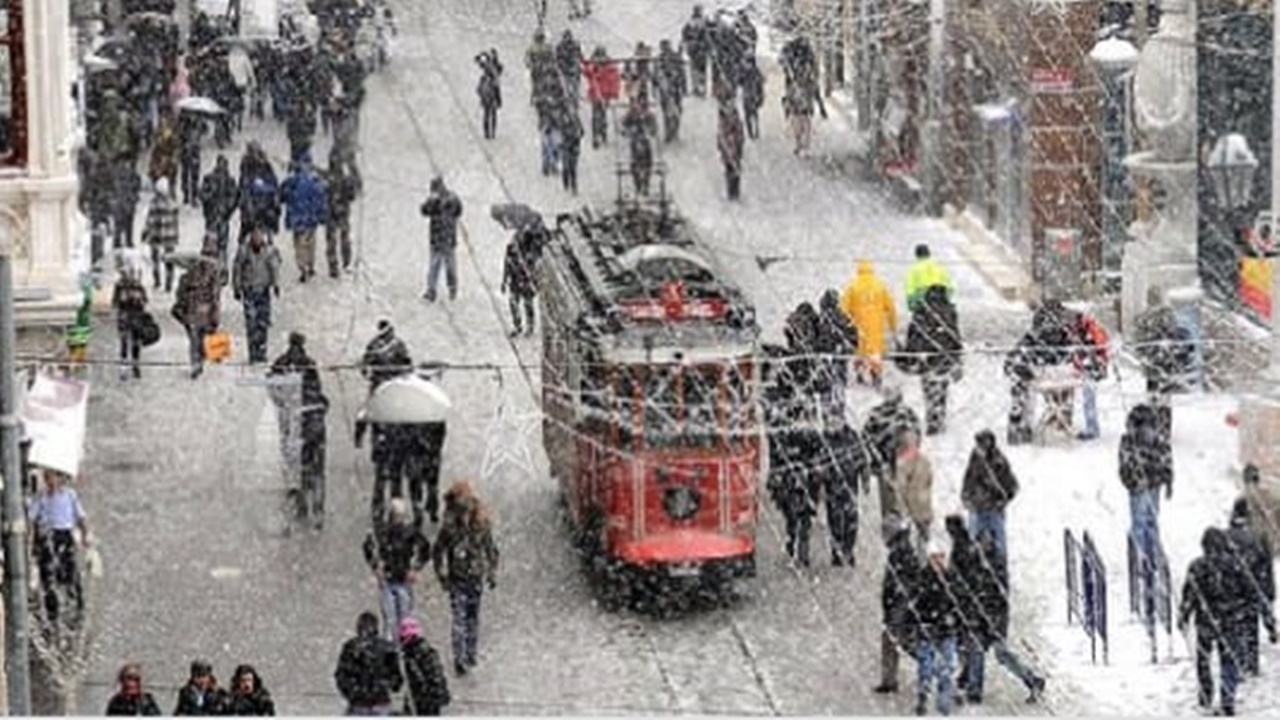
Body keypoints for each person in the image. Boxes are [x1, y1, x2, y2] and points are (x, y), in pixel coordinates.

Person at [948, 517, 1045, 705]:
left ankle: (1032, 679)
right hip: (982, 616)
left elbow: (997, 595)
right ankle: (974, 690)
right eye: (980, 541)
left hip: (994, 617)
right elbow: (971, 587)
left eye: (985, 541)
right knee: (977, 649)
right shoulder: (976, 561)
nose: (981, 545)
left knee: (1001, 654)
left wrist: (992, 618)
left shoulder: (995, 564)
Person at [1178, 527, 1254, 716]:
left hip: (1206, 621)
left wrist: (1184, 615)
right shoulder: (1236, 565)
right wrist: (1247, 612)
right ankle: (1227, 697)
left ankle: (1206, 694)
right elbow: (1249, 592)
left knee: (1204, 659)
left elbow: (1190, 594)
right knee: (1229, 660)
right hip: (1231, 620)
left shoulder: (1197, 566)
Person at [1120, 402, 1173, 650]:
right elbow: (1124, 465)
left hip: (1151, 486)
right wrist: (1134, 479)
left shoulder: (1153, 442)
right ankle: (1143, 556)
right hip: (1142, 487)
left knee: (1150, 523)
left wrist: (1163, 478)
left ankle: (1150, 554)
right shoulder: (1130, 442)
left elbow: (1165, 459)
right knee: (1141, 523)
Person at [433, 481, 500, 676]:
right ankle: (460, 657)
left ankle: (470, 653)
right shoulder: (449, 526)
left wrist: (491, 572)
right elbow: (438, 551)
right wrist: (442, 575)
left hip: (475, 578)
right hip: (458, 578)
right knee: (459, 618)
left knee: (472, 618)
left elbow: (491, 549)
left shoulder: (481, 523)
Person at [270, 331, 330, 527]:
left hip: (293, 420)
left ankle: (300, 503)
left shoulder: (280, 363)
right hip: (314, 421)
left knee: (296, 464)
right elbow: (318, 390)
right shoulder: (309, 363)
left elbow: (273, 388)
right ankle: (318, 509)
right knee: (318, 469)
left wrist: (283, 403)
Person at [1003, 299, 1078, 445]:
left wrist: (1018, 364)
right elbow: (1071, 355)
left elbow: (1015, 356)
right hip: (1057, 378)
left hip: (1036, 375)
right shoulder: (1065, 334)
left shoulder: (1035, 334)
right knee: (1062, 389)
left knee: (1023, 386)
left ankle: (1020, 422)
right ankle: (1061, 418)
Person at [364, 498, 432, 641]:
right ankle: (393, 651)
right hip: (389, 580)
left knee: (403, 620)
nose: (397, 519)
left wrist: (416, 568)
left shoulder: (407, 532)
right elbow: (368, 546)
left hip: (401, 579)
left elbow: (425, 549)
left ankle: (399, 649)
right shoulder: (384, 532)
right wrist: (376, 566)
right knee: (391, 620)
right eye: (396, 515)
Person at [900, 284, 962, 434]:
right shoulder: (949, 311)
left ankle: (932, 417)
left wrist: (910, 354)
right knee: (942, 389)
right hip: (944, 357)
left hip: (926, 358)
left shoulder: (921, 311)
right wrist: (957, 356)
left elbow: (913, 335)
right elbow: (954, 335)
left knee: (928, 389)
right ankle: (939, 415)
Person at [1135, 286, 1194, 442]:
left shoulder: (1144, 317)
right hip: (1166, 364)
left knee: (1153, 397)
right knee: (1165, 399)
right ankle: (1164, 429)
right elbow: (1174, 334)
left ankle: (1154, 428)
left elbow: (1139, 342)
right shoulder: (1168, 314)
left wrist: (1145, 356)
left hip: (1152, 365)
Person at [29, 469, 88, 623]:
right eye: (46, 477)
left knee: (70, 571)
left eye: (52, 477)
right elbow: (32, 519)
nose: (49, 481)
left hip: (65, 535)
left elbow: (80, 516)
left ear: (61, 478)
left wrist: (86, 534)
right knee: (48, 574)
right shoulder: (41, 497)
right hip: (48, 536)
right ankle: (52, 612)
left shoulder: (70, 495)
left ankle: (76, 607)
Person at [1225, 497, 1276, 676]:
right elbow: (1267, 566)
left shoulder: (1226, 536)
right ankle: (1252, 663)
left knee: (1235, 627)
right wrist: (1269, 591)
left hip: (1233, 591)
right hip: (1254, 588)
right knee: (1251, 626)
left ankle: (1239, 660)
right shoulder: (1259, 536)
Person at [910, 536, 961, 716]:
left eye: (941, 556)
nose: (939, 561)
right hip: (929, 629)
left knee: (945, 671)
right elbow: (915, 605)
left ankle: (943, 706)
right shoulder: (923, 579)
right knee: (926, 668)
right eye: (935, 557)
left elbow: (959, 604)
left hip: (946, 631)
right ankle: (924, 696)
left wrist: (955, 621)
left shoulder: (951, 579)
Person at [863, 386, 921, 535]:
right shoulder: (877, 414)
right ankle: (891, 527)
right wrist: (878, 459)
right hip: (885, 464)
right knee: (888, 497)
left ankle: (903, 525)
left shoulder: (907, 414)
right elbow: (867, 439)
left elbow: (916, 437)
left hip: (902, 464)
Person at [874, 517, 918, 695]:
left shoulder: (900, 553)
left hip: (899, 607)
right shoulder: (902, 550)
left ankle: (889, 680)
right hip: (898, 606)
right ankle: (888, 680)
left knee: (901, 642)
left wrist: (896, 605)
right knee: (897, 642)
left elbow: (901, 583)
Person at [960, 430, 1019, 557]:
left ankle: (999, 570)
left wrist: (1001, 501)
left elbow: (1012, 485)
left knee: (998, 547)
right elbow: (968, 481)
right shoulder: (975, 461)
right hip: (977, 510)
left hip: (993, 511)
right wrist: (967, 499)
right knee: (975, 546)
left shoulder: (999, 462)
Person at [334, 611, 404, 716]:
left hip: (360, 702)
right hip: (381, 701)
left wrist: (353, 691)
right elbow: (397, 680)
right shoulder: (386, 648)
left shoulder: (351, 647)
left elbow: (341, 675)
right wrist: (385, 685)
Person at [840, 260, 896, 388]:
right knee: (875, 353)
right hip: (876, 328)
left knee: (859, 351)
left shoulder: (853, 286)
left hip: (858, 326)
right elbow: (891, 308)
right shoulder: (880, 286)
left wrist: (847, 324)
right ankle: (876, 377)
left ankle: (860, 374)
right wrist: (892, 325)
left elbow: (843, 309)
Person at [173, 236, 223, 379]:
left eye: (212, 253)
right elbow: (183, 289)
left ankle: (200, 358)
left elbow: (216, 295)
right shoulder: (194, 269)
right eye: (207, 253)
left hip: (207, 312)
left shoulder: (216, 272)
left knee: (203, 339)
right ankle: (196, 363)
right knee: (194, 339)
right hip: (193, 311)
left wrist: (215, 311)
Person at [820, 418, 868, 567]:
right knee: (834, 519)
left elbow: (862, 459)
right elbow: (820, 461)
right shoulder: (825, 439)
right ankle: (837, 551)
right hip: (832, 486)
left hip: (849, 483)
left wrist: (865, 479)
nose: (832, 425)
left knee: (850, 519)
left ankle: (848, 550)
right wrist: (821, 478)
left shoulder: (852, 437)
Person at [232, 229, 282, 364]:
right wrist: (237, 287)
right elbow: (237, 270)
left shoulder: (268, 251)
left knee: (263, 323)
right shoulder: (244, 251)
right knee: (251, 324)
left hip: (264, 291)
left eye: (260, 236)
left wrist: (275, 285)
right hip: (249, 291)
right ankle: (253, 353)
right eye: (255, 235)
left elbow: (275, 268)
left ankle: (262, 351)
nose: (257, 239)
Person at [280, 155, 329, 283]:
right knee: (311, 243)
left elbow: (283, 194)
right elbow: (321, 200)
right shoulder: (316, 182)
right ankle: (310, 264)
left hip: (297, 217)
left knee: (299, 244)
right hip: (311, 219)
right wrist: (321, 216)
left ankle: (303, 267)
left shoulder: (293, 181)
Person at [420, 176, 463, 302]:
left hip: (448, 240)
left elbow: (459, 210)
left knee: (450, 267)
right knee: (434, 267)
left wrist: (446, 205)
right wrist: (433, 203)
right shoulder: (433, 201)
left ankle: (452, 289)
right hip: (437, 240)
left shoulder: (452, 198)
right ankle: (431, 290)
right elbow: (424, 211)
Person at [1070, 306, 1110, 441]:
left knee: (1089, 399)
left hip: (1092, 367)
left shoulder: (1092, 328)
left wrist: (1090, 350)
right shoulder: (1080, 329)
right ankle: (1091, 427)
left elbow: (1101, 344)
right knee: (1087, 399)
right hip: (1088, 366)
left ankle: (1092, 429)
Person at [398, 617, 450, 716]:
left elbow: (417, 682)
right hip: (429, 699)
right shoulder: (426, 651)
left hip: (425, 701)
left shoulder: (413, 656)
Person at [892, 428, 933, 545]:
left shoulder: (902, 463)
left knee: (911, 542)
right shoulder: (923, 460)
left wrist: (903, 509)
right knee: (922, 541)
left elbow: (900, 489)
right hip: (922, 508)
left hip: (912, 509)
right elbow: (929, 481)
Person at [199, 155, 240, 269]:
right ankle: (209, 266)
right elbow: (202, 195)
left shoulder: (229, 181)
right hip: (212, 216)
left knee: (222, 244)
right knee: (211, 244)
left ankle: (221, 267)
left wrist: (227, 209)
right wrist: (210, 198)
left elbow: (235, 198)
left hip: (222, 217)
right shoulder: (209, 179)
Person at [112, 262, 149, 380]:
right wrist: (122, 300)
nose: (128, 275)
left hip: (137, 317)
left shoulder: (139, 285)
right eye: (126, 273)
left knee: (136, 343)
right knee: (124, 343)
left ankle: (136, 366)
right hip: (124, 317)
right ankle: (123, 369)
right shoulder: (119, 286)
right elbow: (114, 303)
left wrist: (139, 299)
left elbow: (145, 301)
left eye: (130, 272)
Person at [142, 177, 180, 292]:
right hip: (170, 236)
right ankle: (169, 282)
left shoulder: (155, 203)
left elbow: (151, 220)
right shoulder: (172, 203)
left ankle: (157, 281)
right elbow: (175, 221)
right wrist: (176, 235)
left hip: (156, 234)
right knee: (170, 259)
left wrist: (146, 232)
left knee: (155, 258)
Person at [582, 46, 620, 149]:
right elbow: (586, 71)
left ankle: (602, 135)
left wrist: (613, 93)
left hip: (604, 93)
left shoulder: (609, 67)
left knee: (601, 115)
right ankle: (597, 136)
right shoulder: (595, 67)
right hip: (596, 94)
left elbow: (614, 79)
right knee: (596, 116)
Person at [501, 233, 538, 337]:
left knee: (528, 304)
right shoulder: (511, 248)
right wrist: (504, 280)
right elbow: (506, 264)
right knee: (513, 303)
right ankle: (518, 325)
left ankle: (530, 326)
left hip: (526, 279)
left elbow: (535, 264)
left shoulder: (532, 245)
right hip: (515, 279)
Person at [361, 319, 413, 392]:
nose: (390, 334)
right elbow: (366, 362)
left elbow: (406, 361)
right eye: (386, 334)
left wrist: (406, 370)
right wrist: (368, 371)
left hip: (396, 379)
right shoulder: (374, 345)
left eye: (390, 332)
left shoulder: (398, 344)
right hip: (379, 380)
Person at [621, 97, 658, 196]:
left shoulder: (649, 116)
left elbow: (654, 129)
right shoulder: (630, 116)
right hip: (635, 142)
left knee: (648, 163)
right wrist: (629, 131)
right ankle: (638, 185)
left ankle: (645, 184)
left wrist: (649, 131)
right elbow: (623, 128)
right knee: (635, 164)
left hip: (645, 142)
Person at [904, 243, 954, 314]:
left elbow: (910, 290)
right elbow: (950, 286)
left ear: (917, 255)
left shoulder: (914, 270)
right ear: (929, 254)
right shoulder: (939, 267)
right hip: (941, 300)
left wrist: (911, 305)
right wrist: (948, 298)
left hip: (923, 302)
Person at [655, 39, 686, 143]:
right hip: (665, 90)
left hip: (675, 89)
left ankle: (675, 131)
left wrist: (683, 86)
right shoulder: (659, 59)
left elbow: (681, 72)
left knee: (676, 112)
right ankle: (669, 132)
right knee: (666, 112)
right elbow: (656, 76)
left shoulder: (675, 57)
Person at [717, 100, 745, 201]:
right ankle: (731, 191)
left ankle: (735, 191)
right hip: (728, 150)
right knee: (730, 170)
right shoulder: (723, 122)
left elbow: (740, 134)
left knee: (735, 170)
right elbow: (720, 137)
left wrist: (739, 144)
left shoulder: (736, 121)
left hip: (735, 148)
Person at [177, 110, 206, 207]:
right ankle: (186, 195)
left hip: (195, 153)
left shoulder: (198, 122)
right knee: (185, 175)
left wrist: (201, 124)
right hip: (186, 153)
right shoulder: (183, 124)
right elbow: (179, 137)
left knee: (194, 176)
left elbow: (205, 130)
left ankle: (193, 197)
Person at [682, 5, 711, 97]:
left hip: (700, 50)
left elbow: (708, 36)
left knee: (700, 69)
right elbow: (685, 35)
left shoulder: (704, 21)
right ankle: (697, 88)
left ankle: (701, 88)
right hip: (695, 50)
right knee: (695, 69)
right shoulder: (691, 23)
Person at [476, 49, 503, 140]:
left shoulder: (487, 69)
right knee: (492, 113)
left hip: (486, 94)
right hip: (492, 94)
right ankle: (491, 132)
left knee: (487, 113)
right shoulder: (494, 69)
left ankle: (487, 133)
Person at [555, 30, 583, 107]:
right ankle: (573, 100)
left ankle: (573, 100)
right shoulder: (573, 45)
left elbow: (558, 59)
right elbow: (580, 57)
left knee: (572, 87)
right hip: (570, 70)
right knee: (572, 87)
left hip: (570, 70)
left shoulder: (561, 46)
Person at [559, 107, 583, 195]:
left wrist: (578, 134)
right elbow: (561, 131)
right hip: (565, 146)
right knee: (566, 167)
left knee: (573, 168)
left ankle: (574, 187)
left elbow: (582, 132)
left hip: (574, 146)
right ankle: (566, 183)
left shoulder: (577, 121)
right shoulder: (563, 120)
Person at [740, 55, 764, 140]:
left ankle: (754, 132)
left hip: (751, 96)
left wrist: (760, 97)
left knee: (751, 115)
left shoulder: (751, 72)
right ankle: (753, 132)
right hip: (750, 96)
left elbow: (760, 84)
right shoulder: (754, 72)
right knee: (751, 115)